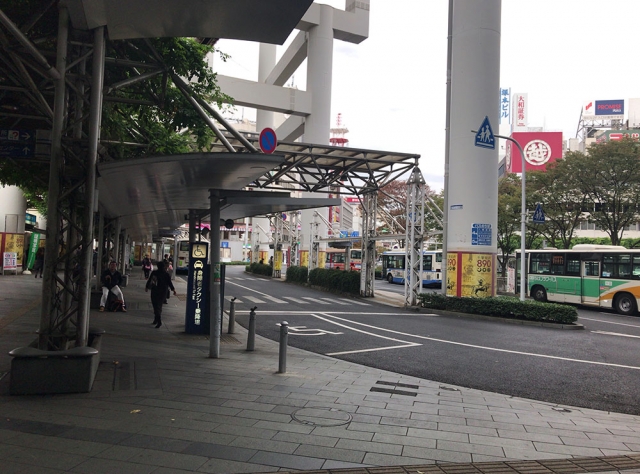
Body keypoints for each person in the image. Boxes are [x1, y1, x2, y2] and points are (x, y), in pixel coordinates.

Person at [146, 261, 176, 328]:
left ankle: (158, 320)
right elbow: (169, 283)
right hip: (163, 292)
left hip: (155, 291)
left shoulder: (154, 273)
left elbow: (150, 280)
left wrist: (147, 287)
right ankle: (156, 319)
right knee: (159, 306)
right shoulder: (166, 274)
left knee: (155, 305)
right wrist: (173, 290)